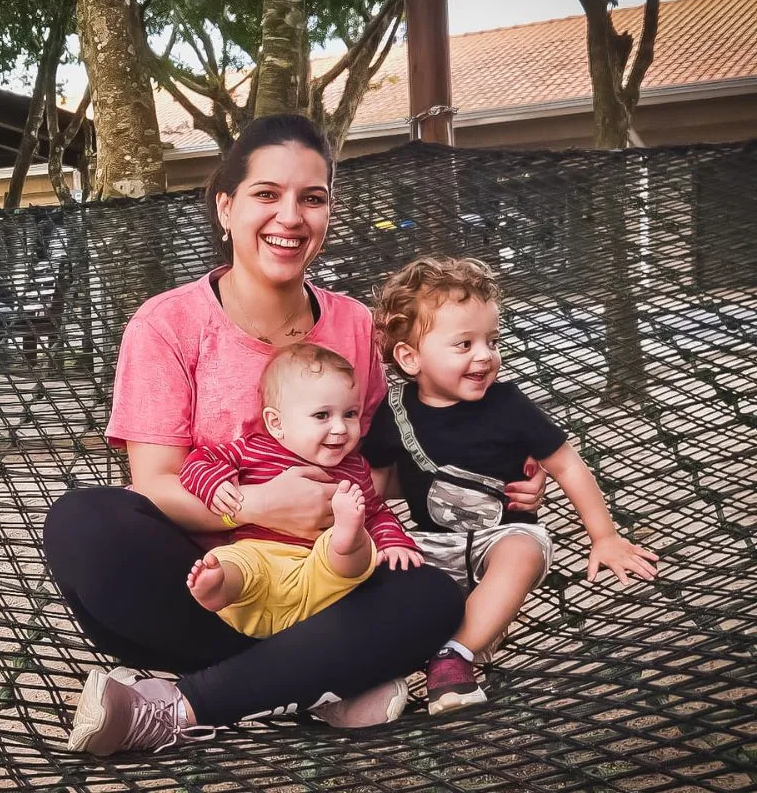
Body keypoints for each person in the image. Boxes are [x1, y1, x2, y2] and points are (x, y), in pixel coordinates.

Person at [42, 115, 547, 757]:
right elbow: (156, 483)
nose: (290, 216)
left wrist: (497, 466)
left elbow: (389, 451)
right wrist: (255, 506)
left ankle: (180, 706)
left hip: (328, 583)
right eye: (266, 194)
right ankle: (325, 678)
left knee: (429, 595)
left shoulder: (356, 326)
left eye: (312, 198)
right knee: (85, 522)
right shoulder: (167, 324)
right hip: (205, 583)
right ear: (226, 207)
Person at [364, 256, 660, 716]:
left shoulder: (507, 404)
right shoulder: (394, 411)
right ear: (410, 357)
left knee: (523, 549)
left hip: (501, 535)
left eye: (492, 341)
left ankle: (454, 658)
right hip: (429, 541)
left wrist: (604, 536)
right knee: (381, 568)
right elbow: (376, 487)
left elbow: (566, 464)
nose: (484, 355)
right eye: (464, 344)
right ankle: (383, 667)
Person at [180, 342, 422, 638]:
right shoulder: (255, 449)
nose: (340, 428)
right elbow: (200, 460)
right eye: (322, 415)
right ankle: (220, 586)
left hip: (320, 575)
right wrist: (215, 483)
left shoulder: (355, 468)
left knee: (352, 551)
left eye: (350, 414)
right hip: (263, 557)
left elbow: (377, 512)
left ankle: (345, 540)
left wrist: (394, 542)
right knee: (236, 561)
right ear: (276, 423)